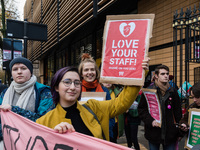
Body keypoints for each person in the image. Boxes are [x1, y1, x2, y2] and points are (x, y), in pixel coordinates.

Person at [36, 57, 149, 141]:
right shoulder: (43, 123)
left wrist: (138, 73)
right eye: (67, 82)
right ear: (56, 87)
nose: (72, 87)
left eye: (76, 83)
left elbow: (121, 103)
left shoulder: (93, 107)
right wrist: (52, 135)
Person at [0, 57, 54, 147]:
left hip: (34, 142)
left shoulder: (44, 91)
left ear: (31, 72)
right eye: (15, 69)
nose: (19, 72)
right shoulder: (5, 93)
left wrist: (13, 110)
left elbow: (44, 120)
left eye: (23, 68)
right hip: (8, 140)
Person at [138, 65, 182, 150]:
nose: (166, 76)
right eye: (162, 74)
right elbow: (142, 110)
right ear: (156, 76)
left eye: (167, 73)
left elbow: (178, 112)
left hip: (170, 135)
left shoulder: (173, 91)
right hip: (153, 133)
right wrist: (151, 121)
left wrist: (179, 132)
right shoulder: (149, 91)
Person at [78, 53, 115, 142]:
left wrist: (103, 131)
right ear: (81, 73)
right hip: (82, 135)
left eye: (92, 69)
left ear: (96, 72)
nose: (90, 72)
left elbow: (111, 114)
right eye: (86, 70)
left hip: (102, 136)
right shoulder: (76, 90)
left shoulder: (104, 90)